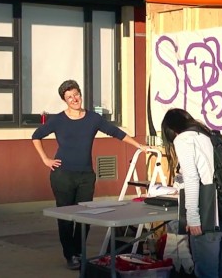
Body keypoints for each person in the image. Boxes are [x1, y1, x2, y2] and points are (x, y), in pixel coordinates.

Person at [32, 79, 148, 270]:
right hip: (62, 175)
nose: (74, 99)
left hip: (86, 175)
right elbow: (36, 136)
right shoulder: (58, 120)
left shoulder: (93, 118)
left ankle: (79, 252)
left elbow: (115, 132)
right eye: (69, 97)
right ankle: (70, 255)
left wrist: (139, 146)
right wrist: (45, 159)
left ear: (80, 94)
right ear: (65, 100)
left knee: (85, 216)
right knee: (65, 216)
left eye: (76, 94)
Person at [160, 108, 222, 278]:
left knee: (207, 272)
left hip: (209, 211)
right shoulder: (209, 135)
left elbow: (191, 178)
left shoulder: (183, 139)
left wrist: (193, 217)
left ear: (172, 130)